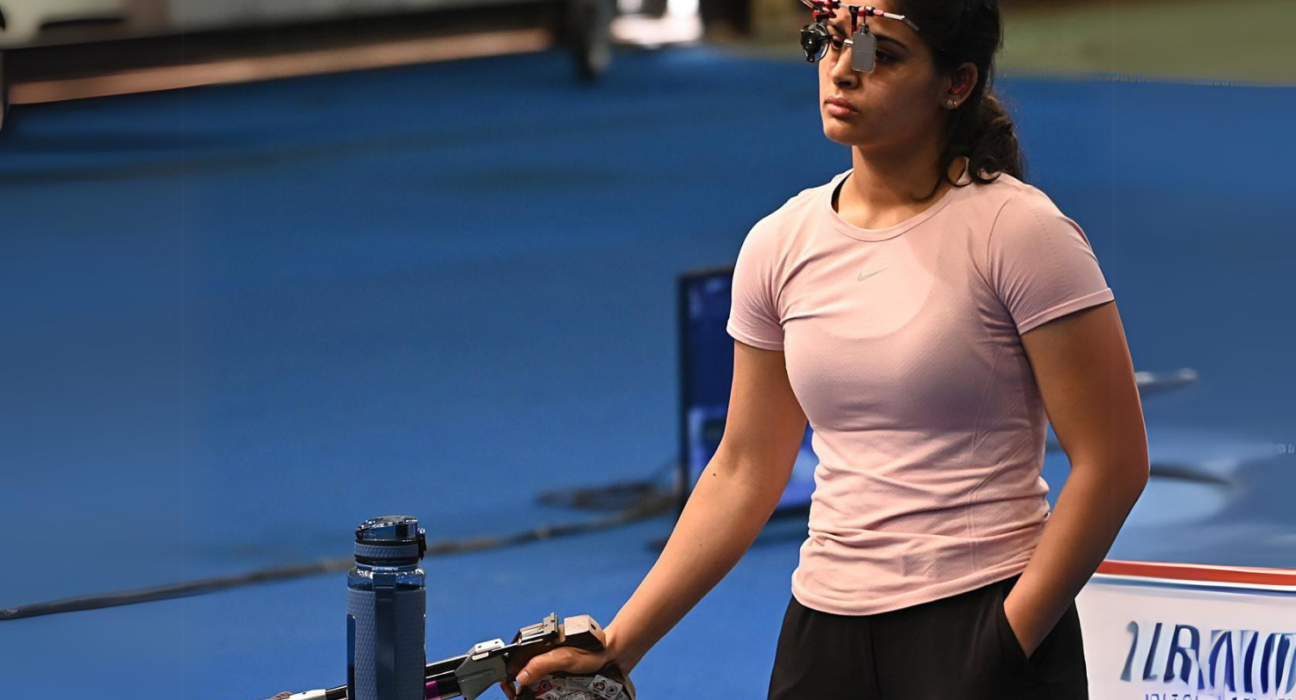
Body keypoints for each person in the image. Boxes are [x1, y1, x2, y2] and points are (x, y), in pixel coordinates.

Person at [502, 0, 1148, 698]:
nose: (843, 71)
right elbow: (745, 466)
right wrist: (622, 644)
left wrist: (1005, 640)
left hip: (982, 620)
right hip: (823, 632)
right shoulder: (780, 243)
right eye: (830, 43)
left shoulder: (1021, 233)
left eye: (882, 55)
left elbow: (1114, 463)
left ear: (956, 84)